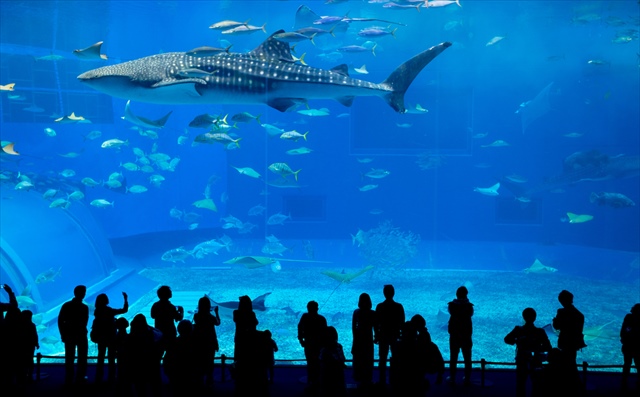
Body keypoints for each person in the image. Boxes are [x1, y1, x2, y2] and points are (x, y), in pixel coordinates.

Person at [504, 307, 552, 397]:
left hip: (522, 359)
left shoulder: (518, 329)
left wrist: (517, 341)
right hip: (536, 359)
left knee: (521, 383)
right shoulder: (540, 332)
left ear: (523, 317)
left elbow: (507, 339)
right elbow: (548, 347)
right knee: (536, 384)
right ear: (535, 318)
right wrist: (536, 349)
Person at [92, 292, 128, 384]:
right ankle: (111, 377)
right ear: (106, 301)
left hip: (101, 337)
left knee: (101, 356)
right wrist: (125, 299)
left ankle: (98, 377)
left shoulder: (97, 311)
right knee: (111, 357)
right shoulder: (109, 310)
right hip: (111, 337)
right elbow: (124, 310)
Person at [58, 285, 89, 386]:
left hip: (69, 335)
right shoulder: (84, 307)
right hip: (80, 335)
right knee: (82, 358)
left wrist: (63, 334)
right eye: (84, 292)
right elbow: (85, 322)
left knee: (69, 358)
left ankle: (69, 379)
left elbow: (60, 321)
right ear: (82, 294)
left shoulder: (66, 305)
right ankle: (80, 378)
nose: (84, 294)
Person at [375, 284, 405, 386]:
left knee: (382, 358)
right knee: (396, 358)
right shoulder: (399, 307)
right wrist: (401, 335)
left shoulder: (379, 306)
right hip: (395, 335)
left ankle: (381, 380)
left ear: (384, 293)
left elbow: (376, 323)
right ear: (393, 293)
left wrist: (376, 335)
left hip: (383, 335)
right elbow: (402, 322)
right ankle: (395, 379)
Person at [552, 290, 585, 372]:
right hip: (574, 344)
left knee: (565, 364)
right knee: (572, 361)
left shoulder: (561, 312)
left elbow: (556, 326)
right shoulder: (579, 315)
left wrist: (554, 321)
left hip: (564, 342)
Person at [447, 285, 474, 386]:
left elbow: (450, 312)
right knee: (467, 358)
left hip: (454, 335)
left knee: (453, 357)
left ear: (456, 294)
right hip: (466, 335)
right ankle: (467, 378)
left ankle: (452, 377)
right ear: (466, 294)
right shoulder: (469, 306)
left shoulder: (452, 305)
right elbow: (470, 314)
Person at [298, 300, 327, 390]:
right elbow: (325, 333)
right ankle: (317, 380)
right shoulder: (321, 318)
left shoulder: (305, 316)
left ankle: (311, 381)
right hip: (319, 345)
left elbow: (299, 327)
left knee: (310, 362)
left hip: (308, 344)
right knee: (318, 363)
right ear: (317, 309)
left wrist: (301, 340)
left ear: (308, 308)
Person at [192, 295, 221, 388]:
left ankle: (199, 381)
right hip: (210, 342)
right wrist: (216, 313)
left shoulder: (196, 316)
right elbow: (218, 323)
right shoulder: (210, 317)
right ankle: (209, 380)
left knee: (199, 361)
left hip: (199, 342)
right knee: (209, 361)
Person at [164, 319, 197, 396]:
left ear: (178, 330)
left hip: (176, 375)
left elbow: (167, 360)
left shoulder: (173, 343)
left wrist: (169, 374)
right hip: (191, 375)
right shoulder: (195, 344)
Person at [233, 295, 258, 394]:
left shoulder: (236, 312)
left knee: (239, 359)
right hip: (250, 339)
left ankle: (239, 380)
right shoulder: (251, 313)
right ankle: (250, 380)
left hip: (240, 339)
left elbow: (237, 320)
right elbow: (255, 323)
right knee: (249, 359)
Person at [351, 292, 376, 390]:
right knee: (368, 359)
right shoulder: (372, 313)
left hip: (359, 338)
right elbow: (376, 327)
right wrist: (376, 337)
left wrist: (354, 340)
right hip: (368, 338)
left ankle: (360, 380)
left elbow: (354, 327)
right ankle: (367, 380)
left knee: (359, 359)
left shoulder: (356, 312)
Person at [150, 285, 184, 355]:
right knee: (171, 352)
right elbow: (179, 318)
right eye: (170, 291)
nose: (171, 292)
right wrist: (181, 310)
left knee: (159, 352)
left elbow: (152, 316)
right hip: (170, 333)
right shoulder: (171, 307)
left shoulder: (155, 305)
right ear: (167, 294)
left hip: (159, 332)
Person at [320, 326, 346, 397]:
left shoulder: (324, 349)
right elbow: (342, 358)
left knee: (329, 388)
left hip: (328, 373)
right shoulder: (338, 346)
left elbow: (321, 361)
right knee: (337, 387)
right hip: (336, 372)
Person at [620, 303, 640, 391]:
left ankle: (624, 381)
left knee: (627, 364)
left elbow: (624, 329)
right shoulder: (629, 317)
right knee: (637, 364)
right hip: (635, 346)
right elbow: (624, 328)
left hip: (629, 345)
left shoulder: (628, 317)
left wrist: (624, 338)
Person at [18, 309, 39, 384]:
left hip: (23, 346)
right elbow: (35, 335)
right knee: (30, 360)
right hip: (30, 345)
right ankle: (29, 375)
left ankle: (24, 375)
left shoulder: (19, 325)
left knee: (23, 360)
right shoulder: (31, 325)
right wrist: (36, 343)